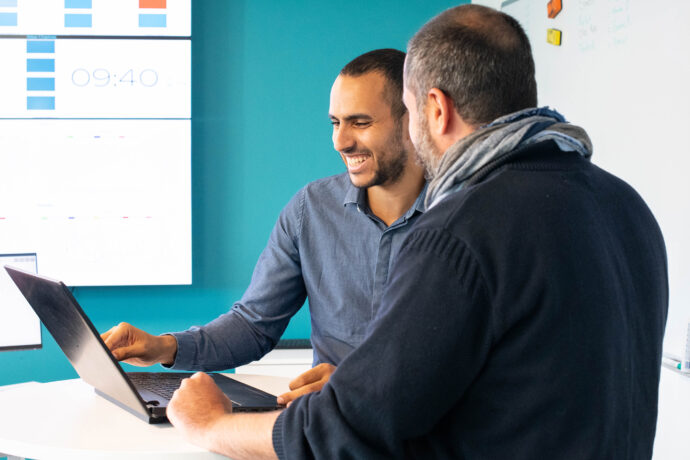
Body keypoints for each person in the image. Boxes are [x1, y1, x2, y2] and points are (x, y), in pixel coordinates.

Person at [165, 4, 669, 459]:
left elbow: (340, 433)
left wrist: (210, 425)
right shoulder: (625, 205)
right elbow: (527, 384)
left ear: (434, 108)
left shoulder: (460, 230)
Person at [101, 48, 427, 405]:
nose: (341, 141)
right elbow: (254, 326)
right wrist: (162, 347)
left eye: (360, 123)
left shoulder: (465, 215)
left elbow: (476, 361)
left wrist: (359, 384)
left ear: (415, 119)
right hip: (328, 432)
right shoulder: (312, 209)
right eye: (335, 123)